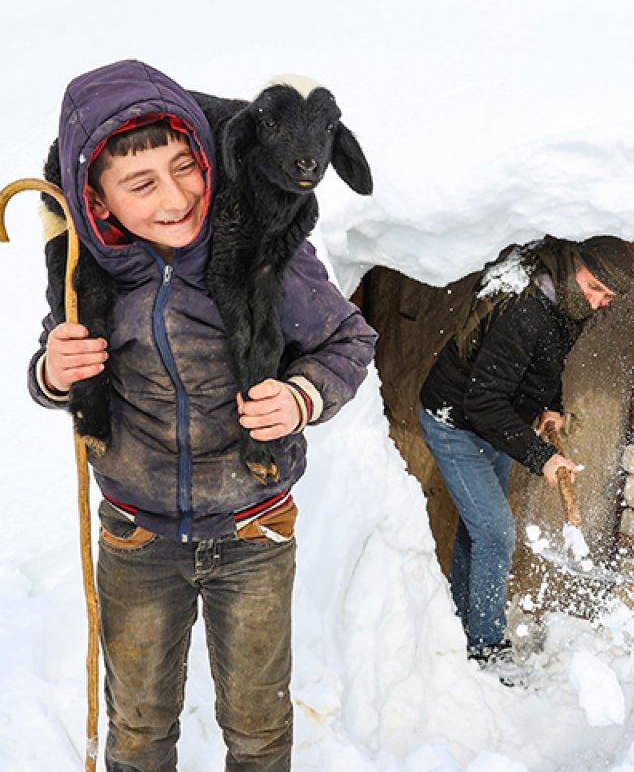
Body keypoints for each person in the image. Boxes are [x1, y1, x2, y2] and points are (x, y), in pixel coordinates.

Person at [26, 60, 377, 771]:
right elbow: (56, 366)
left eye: (186, 166)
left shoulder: (260, 254)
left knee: (255, 726)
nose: (176, 195)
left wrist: (302, 395)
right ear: (95, 199)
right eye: (140, 183)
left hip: (252, 528)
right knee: (139, 728)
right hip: (136, 538)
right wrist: (51, 372)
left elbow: (348, 340)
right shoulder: (87, 275)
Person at [417, 236, 633, 682]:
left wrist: (551, 404)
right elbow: (480, 402)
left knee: (479, 529)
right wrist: (543, 457)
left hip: (501, 420)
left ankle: (462, 620)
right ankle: (488, 647)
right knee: (496, 531)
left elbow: (546, 362)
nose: (598, 303)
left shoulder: (569, 303)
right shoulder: (526, 310)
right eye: (594, 288)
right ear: (576, 264)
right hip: (456, 420)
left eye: (606, 297)